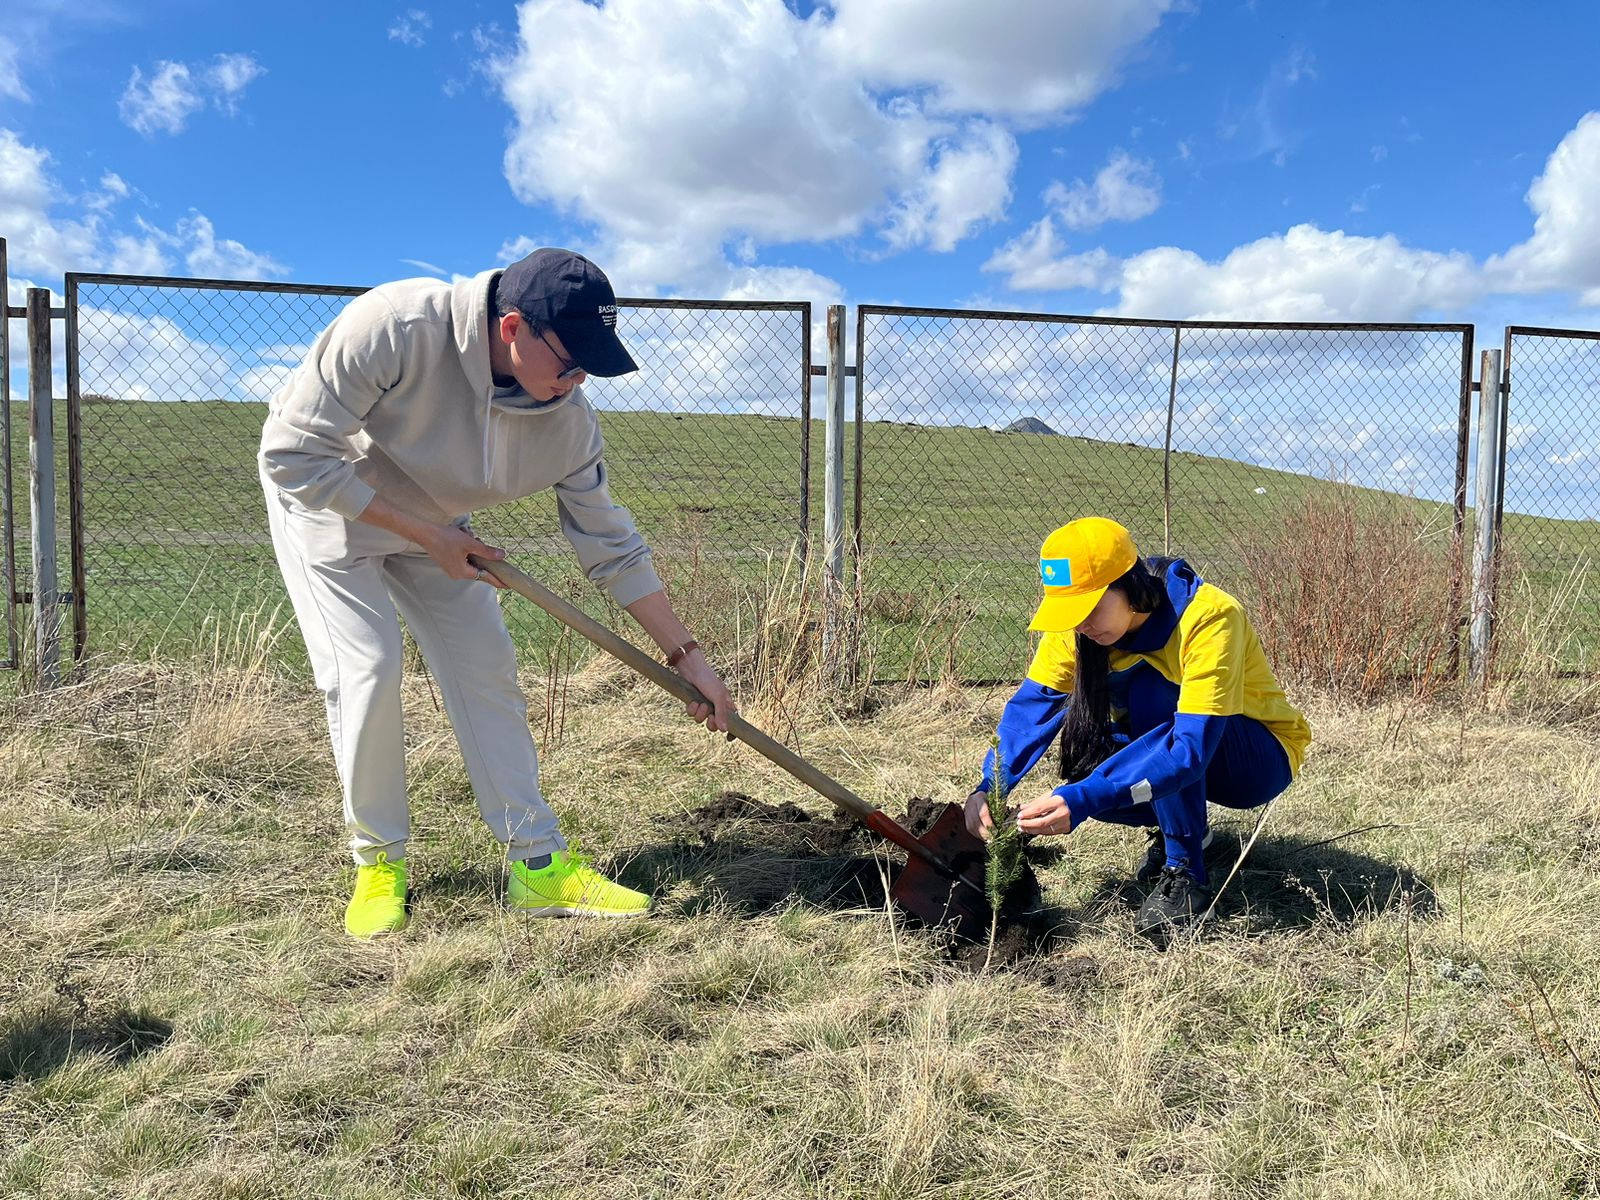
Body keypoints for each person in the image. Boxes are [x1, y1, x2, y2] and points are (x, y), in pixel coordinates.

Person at [258, 247, 734, 938]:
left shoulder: (568, 424)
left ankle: (537, 866)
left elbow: (610, 544)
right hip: (331, 510)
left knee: (487, 669)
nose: (576, 382)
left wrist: (685, 654)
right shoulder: (393, 326)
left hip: (441, 530)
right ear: (512, 328)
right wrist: (424, 533)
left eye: (590, 369)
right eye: (568, 363)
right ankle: (379, 864)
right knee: (367, 669)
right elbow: (290, 455)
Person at [964, 517, 1310, 941]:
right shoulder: (1075, 632)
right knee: (1090, 777)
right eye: (1071, 613)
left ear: (1128, 584)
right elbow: (1032, 710)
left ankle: (1185, 869)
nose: (1083, 625)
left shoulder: (1209, 617)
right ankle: (1190, 830)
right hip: (1183, 747)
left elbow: (1188, 749)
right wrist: (988, 787)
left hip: (1255, 756)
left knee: (1150, 696)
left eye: (1090, 608)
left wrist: (1083, 798)